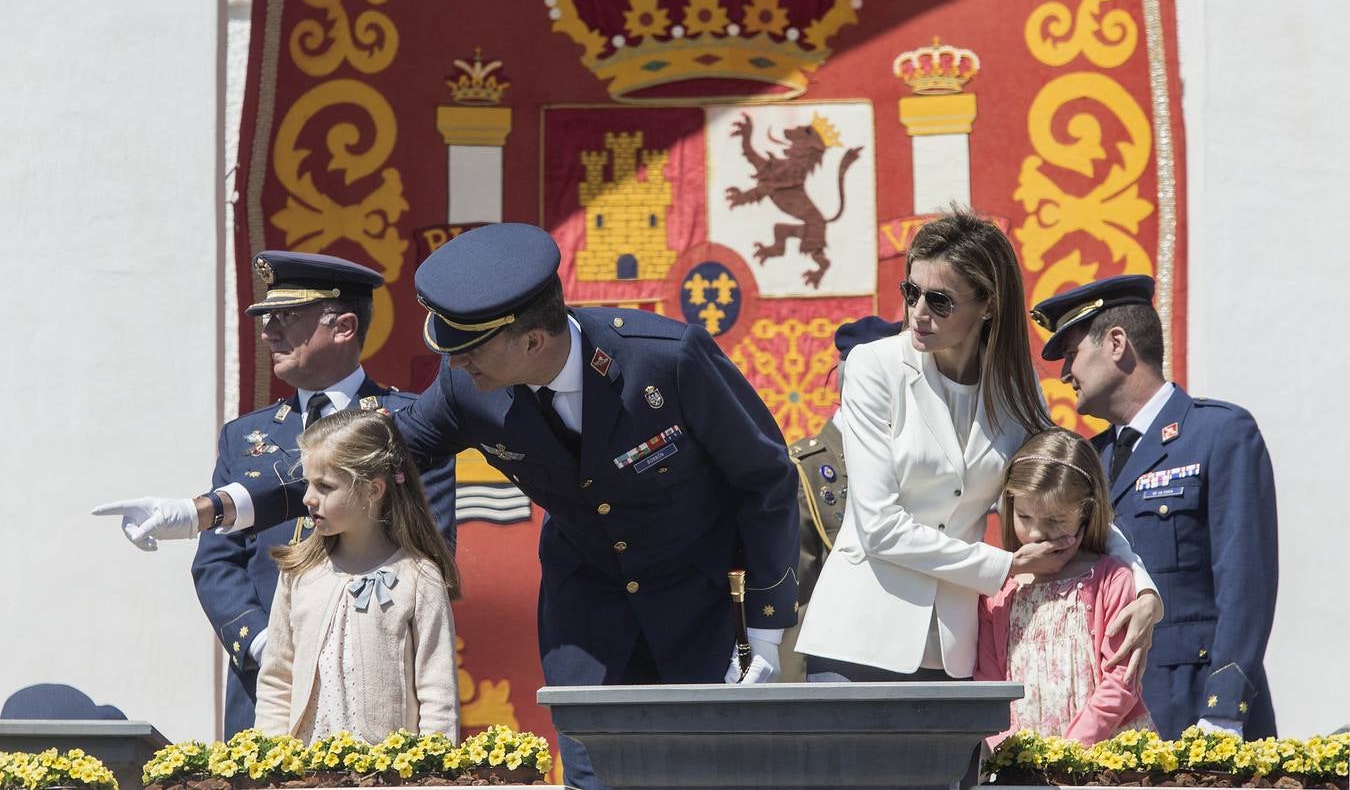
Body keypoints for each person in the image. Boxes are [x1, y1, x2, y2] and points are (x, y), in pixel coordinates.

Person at [100, 223, 799, 790]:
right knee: (595, 772)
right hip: (589, 608)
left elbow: (765, 480)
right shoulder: (471, 389)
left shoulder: (664, 361)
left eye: (471, 353)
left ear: (532, 339)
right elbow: (365, 451)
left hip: (703, 600)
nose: (456, 369)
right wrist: (206, 511)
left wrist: (767, 632)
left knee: (712, 771)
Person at [94, 251, 456, 738]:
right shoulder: (246, 436)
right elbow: (216, 562)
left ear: (344, 326)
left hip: (377, 684)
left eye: (287, 318)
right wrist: (270, 646)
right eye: (266, 319)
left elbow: (428, 544)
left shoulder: (406, 426)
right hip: (265, 689)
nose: (269, 333)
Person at [795, 209, 1162, 687]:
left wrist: (1140, 583)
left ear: (988, 304)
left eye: (940, 300)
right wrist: (1005, 566)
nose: (917, 313)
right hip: (856, 637)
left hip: (957, 649)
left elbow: (1065, 488)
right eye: (911, 292)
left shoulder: (1015, 383)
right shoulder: (873, 366)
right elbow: (878, 526)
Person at [1032, 274, 1278, 740]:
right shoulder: (1091, 459)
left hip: (1194, 708)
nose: (1065, 373)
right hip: (1106, 717)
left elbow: (1246, 582)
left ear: (1117, 343)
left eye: (1073, 352)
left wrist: (1224, 709)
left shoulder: (1219, 435)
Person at [255, 407, 459, 743]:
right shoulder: (299, 572)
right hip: (304, 772)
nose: (308, 498)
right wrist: (271, 762)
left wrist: (432, 772)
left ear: (373, 490)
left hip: (389, 775)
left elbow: (438, 693)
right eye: (308, 483)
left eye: (324, 486)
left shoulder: (419, 578)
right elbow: (277, 679)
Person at [976, 428, 1155, 746]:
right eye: (1024, 516)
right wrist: (1009, 749)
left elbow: (1122, 680)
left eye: (1055, 520)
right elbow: (988, 682)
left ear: (1086, 512)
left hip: (1104, 754)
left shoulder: (1110, 578)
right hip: (1023, 763)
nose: (1035, 534)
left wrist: (1069, 750)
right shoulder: (998, 589)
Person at [780, 315, 903, 682]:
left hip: (908, 662)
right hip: (831, 670)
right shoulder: (808, 470)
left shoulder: (915, 457)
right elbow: (794, 597)